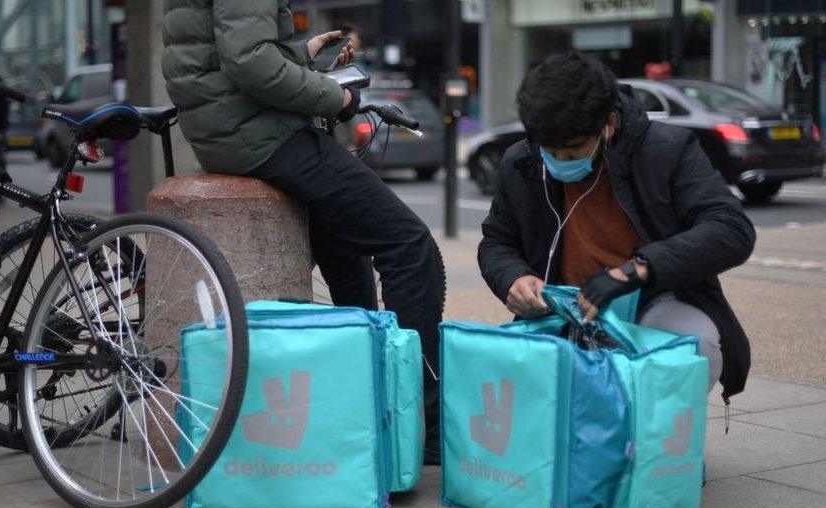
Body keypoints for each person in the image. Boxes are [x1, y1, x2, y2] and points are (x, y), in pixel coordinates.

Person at [162, 3, 445, 461]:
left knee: (344, 248)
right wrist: (338, 98)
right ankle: (425, 424)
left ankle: (369, 400)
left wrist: (300, 52)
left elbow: (231, 51)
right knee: (406, 240)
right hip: (260, 133)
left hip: (231, 128)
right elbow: (251, 63)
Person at [478, 52, 756, 402]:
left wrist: (635, 270)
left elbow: (732, 229)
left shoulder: (666, 151)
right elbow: (496, 242)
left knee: (691, 345)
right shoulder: (522, 162)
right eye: (551, 150)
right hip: (565, 311)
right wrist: (513, 278)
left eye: (574, 148)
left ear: (608, 124)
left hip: (653, 302)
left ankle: (650, 439)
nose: (561, 160)